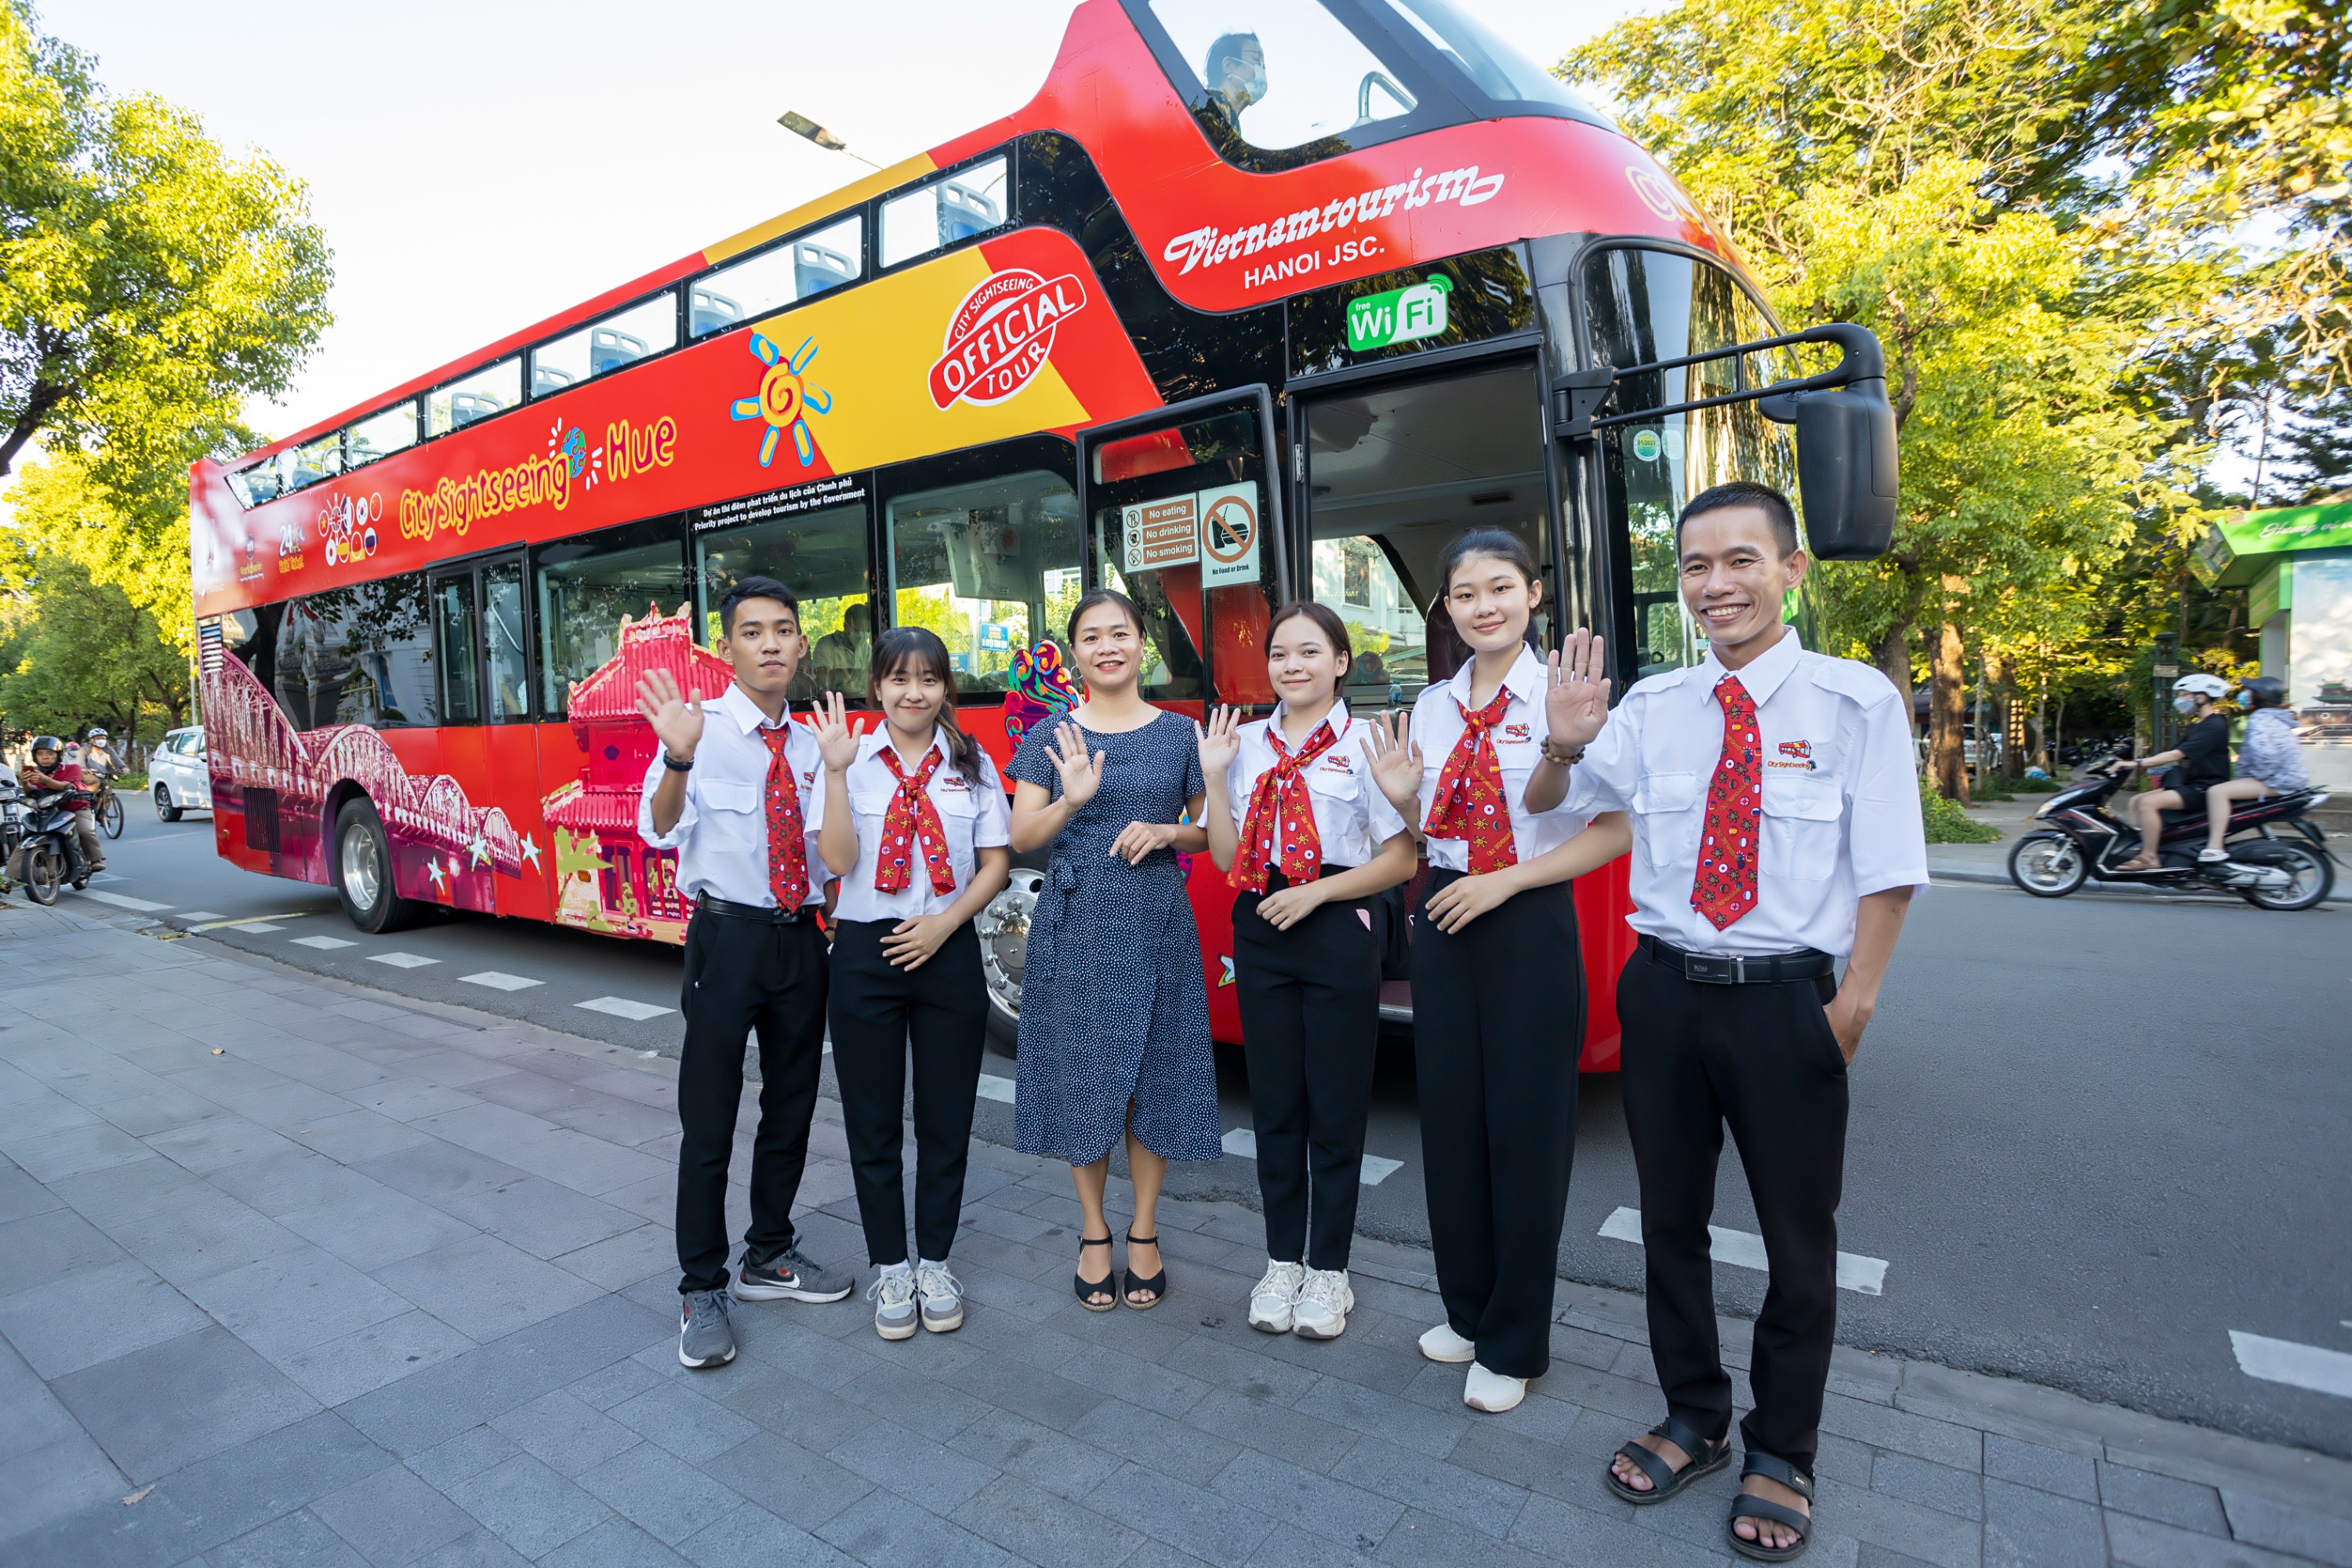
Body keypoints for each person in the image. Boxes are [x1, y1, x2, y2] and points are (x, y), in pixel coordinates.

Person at [1532, 481, 1927, 1563]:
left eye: (1741, 560)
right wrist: (1564, 745)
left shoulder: (1855, 705)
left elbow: (1891, 867)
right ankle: (1696, 1415)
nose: (1717, 584)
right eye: (1697, 566)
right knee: (1670, 1224)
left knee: (1801, 1242)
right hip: (1664, 992)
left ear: (1791, 570)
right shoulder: (1653, 707)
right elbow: (1549, 809)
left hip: (1788, 1000)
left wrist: (1856, 1001)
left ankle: (1784, 1448)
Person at [1364, 530, 1629, 1414]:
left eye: (1501, 588)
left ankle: (1516, 1339)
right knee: (1452, 1125)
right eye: (1465, 592)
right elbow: (1425, 823)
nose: (1484, 605)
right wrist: (1404, 799)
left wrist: (1508, 873)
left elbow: (1615, 826)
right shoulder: (1433, 705)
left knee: (1526, 1131)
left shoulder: (1573, 696)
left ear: (1534, 595)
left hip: (1524, 915)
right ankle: (1469, 1311)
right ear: (1445, 606)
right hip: (1443, 914)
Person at [635, 575, 854, 1371]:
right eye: (753, 631)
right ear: (726, 648)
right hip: (726, 941)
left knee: (792, 1109)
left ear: (801, 644)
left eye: (784, 630)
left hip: (803, 941)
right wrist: (677, 757)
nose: (770, 643)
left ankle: (771, 1251)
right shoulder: (698, 730)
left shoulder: (815, 740)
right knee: (710, 1118)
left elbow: (840, 852)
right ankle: (702, 1286)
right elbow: (659, 827)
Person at [1196, 603, 1416, 1341]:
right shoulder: (1244, 743)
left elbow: (1401, 859)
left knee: (1337, 1106)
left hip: (1332, 925)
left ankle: (1330, 1270)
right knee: (1278, 1106)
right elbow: (1226, 858)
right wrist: (1216, 778)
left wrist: (1317, 892)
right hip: (1259, 930)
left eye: (1310, 652)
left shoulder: (1364, 743)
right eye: (1280, 654)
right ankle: (1281, 1261)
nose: (1293, 666)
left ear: (1341, 662)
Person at [1007, 590, 1218, 1312]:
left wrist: (1165, 833)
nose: (1108, 646)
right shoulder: (1050, 736)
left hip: (1157, 920)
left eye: (1120, 633)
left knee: (1154, 1075)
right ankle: (1095, 1231)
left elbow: (1211, 836)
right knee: (1085, 1076)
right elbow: (1022, 839)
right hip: (1075, 925)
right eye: (1091, 636)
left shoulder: (1181, 734)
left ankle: (1146, 1230)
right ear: (1075, 656)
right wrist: (1071, 800)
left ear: (1141, 645)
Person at [815, 626, 1012, 1341]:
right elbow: (837, 862)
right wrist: (836, 774)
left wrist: (944, 923)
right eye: (898, 679)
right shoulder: (845, 758)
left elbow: (995, 861)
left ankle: (935, 1260)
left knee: (945, 1119)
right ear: (877, 688)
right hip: (866, 951)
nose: (913, 692)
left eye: (928, 679)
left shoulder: (973, 763)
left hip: (947, 945)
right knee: (871, 1122)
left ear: (945, 690)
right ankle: (890, 1266)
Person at [2114, 671, 2232, 869]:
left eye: (2184, 694)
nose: (2180, 700)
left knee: (2148, 803)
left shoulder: (2214, 725)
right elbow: (2172, 754)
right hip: (2190, 783)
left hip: (2205, 786)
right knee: (2135, 801)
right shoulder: (2198, 725)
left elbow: (2176, 755)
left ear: (2201, 697)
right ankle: (2142, 847)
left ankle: (2150, 856)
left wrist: (2136, 763)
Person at [2199, 676, 2309, 862]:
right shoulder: (2274, 717)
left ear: (2259, 696)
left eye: (2249, 692)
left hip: (2278, 780)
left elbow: (2266, 756)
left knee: (2217, 792)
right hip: (2288, 777)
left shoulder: (2260, 720)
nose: (2245, 695)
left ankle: (2215, 847)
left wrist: (2257, 776)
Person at [20, 736, 101, 879]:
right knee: (25, 837)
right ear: (34, 756)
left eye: (50, 754)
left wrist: (45, 780)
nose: (45, 758)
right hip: (46, 811)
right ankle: (11, 878)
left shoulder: (72, 768)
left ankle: (95, 858)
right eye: (40, 754)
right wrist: (25, 782)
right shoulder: (34, 773)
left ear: (58, 755)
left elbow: (68, 786)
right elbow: (30, 790)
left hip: (75, 808)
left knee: (84, 831)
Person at [1203, 31, 1267, 127]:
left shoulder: (1232, 126)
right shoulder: (1208, 106)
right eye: (1257, 59)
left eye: (1263, 66)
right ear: (1229, 65)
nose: (1262, 70)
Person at [810, 602, 873, 695]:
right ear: (845, 626)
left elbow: (870, 681)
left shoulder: (867, 649)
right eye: (856, 630)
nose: (862, 635)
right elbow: (823, 682)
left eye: (867, 631)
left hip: (862, 704)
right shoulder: (826, 645)